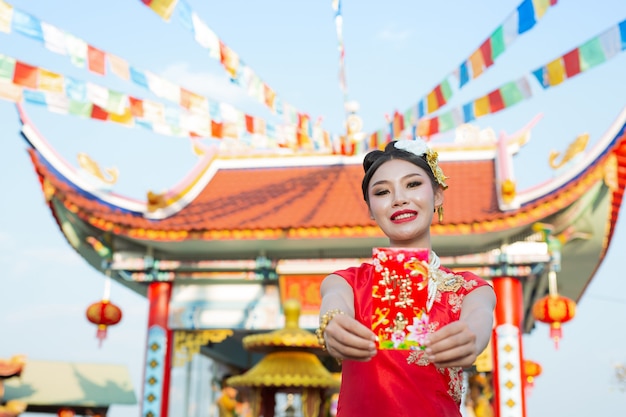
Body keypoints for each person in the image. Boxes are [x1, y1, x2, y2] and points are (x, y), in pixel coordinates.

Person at [317, 139, 496, 417]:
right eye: (382, 191)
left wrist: (472, 337)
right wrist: (332, 324)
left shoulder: (470, 289)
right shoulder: (349, 282)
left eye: (412, 184)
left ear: (438, 195)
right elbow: (333, 302)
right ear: (370, 209)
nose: (399, 198)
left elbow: (480, 319)